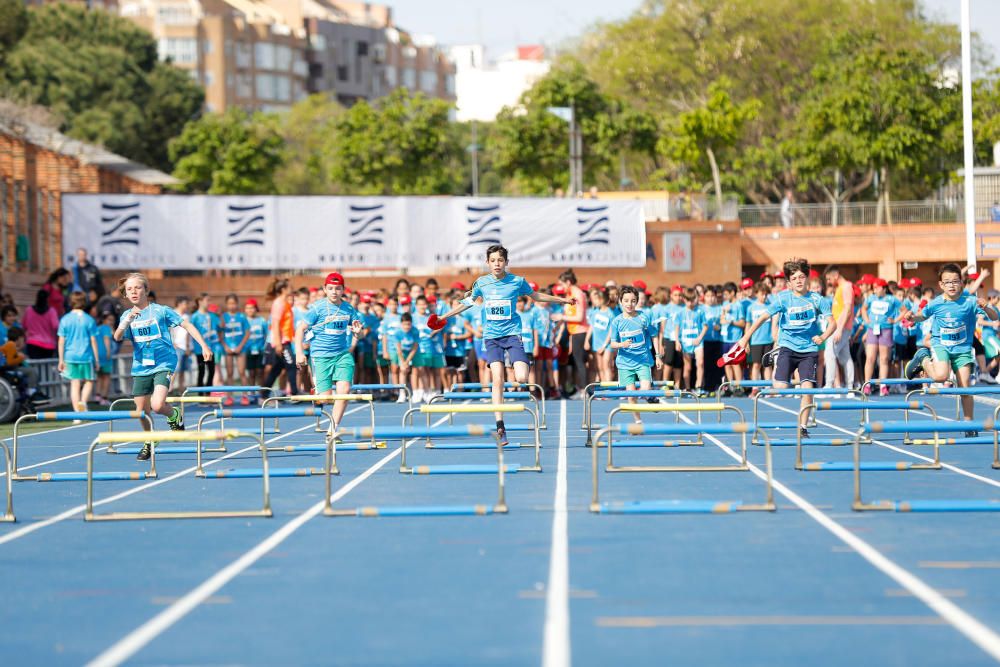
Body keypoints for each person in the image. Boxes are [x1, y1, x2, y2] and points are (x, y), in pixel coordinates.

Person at [434, 244, 574, 446]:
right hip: (491, 337)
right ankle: (500, 425)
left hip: (512, 335)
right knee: (497, 378)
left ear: (506, 262)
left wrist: (562, 300)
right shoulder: (481, 283)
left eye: (500, 260)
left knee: (522, 378)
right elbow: (467, 303)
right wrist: (443, 316)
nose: (497, 264)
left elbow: (535, 296)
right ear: (487, 263)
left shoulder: (517, 281)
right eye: (493, 261)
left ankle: (519, 374)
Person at [114, 273, 213, 461]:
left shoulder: (161, 311)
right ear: (125, 295)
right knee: (140, 411)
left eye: (137, 287)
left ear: (146, 290)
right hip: (141, 366)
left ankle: (174, 414)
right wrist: (127, 321)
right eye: (129, 289)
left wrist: (203, 345)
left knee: (158, 405)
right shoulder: (127, 316)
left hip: (164, 362)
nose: (134, 291)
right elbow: (117, 337)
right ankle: (150, 439)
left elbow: (187, 325)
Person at [737, 258, 835, 438]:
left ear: (807, 278)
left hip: (808, 350)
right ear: (789, 283)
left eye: (802, 276)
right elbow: (762, 318)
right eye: (795, 278)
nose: (799, 280)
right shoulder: (783, 298)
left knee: (808, 389)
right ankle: (777, 355)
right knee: (781, 387)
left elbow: (832, 324)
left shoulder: (817, 300)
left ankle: (803, 427)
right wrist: (745, 338)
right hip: (788, 347)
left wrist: (822, 336)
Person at [902, 263, 999, 432]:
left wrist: (986, 306)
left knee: (965, 388)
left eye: (955, 281)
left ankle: (969, 425)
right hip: (942, 346)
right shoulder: (936, 303)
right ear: (941, 285)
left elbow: (994, 316)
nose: (952, 285)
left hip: (963, 350)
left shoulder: (969, 301)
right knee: (941, 376)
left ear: (961, 282)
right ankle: (923, 359)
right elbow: (921, 317)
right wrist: (912, 317)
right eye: (947, 282)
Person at [295, 272, 364, 438]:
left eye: (338, 288)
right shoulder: (317, 308)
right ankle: (317, 392)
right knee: (325, 400)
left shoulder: (348, 309)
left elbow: (358, 331)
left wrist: (357, 332)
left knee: (344, 390)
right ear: (325, 289)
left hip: (342, 354)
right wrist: (299, 352)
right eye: (331, 288)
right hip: (320, 356)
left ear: (342, 290)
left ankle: (333, 429)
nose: (334, 292)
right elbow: (300, 329)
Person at [608, 285, 663, 422]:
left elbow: (654, 335)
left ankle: (649, 397)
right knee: (631, 396)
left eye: (633, 301)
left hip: (642, 361)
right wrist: (622, 344)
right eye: (626, 300)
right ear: (621, 301)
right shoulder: (617, 322)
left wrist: (658, 356)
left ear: (637, 301)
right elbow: (613, 343)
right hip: (625, 363)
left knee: (645, 389)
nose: (629, 304)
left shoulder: (643, 318)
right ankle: (638, 420)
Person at [57, 291, 100, 417]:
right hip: (86, 356)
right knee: (89, 381)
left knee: (74, 383)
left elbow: (61, 341)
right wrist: (97, 360)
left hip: (70, 356)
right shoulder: (89, 320)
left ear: (71, 302)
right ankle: (83, 402)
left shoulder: (65, 319)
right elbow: (93, 340)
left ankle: (77, 414)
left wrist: (61, 359)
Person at [550, 269, 589, 397]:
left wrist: (561, 317)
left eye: (561, 284)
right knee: (575, 361)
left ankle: (584, 391)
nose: (560, 287)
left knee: (579, 361)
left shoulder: (578, 295)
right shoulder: (570, 294)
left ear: (568, 282)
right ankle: (581, 389)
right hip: (573, 332)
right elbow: (567, 314)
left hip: (580, 331)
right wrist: (557, 327)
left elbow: (579, 318)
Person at [860, 278, 900, 395]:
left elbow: (903, 310)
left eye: (877, 288)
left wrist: (895, 320)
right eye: (874, 288)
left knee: (883, 359)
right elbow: (863, 308)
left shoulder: (891, 299)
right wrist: (866, 319)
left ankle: (883, 385)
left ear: (883, 288)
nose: (875, 290)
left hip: (886, 329)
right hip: (873, 329)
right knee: (870, 358)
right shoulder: (871, 298)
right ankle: (867, 385)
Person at [260, 278, 298, 400]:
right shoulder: (278, 303)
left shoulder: (285, 303)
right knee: (291, 364)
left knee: (277, 369)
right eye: (289, 287)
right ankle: (294, 393)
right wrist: (277, 344)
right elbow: (275, 324)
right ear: (283, 289)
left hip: (285, 340)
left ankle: (264, 394)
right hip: (280, 342)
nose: (291, 289)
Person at [823, 266, 855, 389]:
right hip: (839, 327)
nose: (828, 282)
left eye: (829, 278)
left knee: (829, 353)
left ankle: (829, 385)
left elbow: (847, 310)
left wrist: (839, 329)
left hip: (840, 328)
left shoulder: (846, 287)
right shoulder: (840, 288)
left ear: (836, 275)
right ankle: (850, 386)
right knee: (845, 357)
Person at [221, 294, 252, 405]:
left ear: (237, 304)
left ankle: (245, 396)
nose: (232, 306)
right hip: (228, 349)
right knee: (229, 373)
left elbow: (247, 332)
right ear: (226, 304)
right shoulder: (223, 317)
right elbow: (220, 333)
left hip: (240, 349)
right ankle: (230, 397)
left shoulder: (242, 317)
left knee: (242, 372)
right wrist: (225, 346)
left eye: (233, 303)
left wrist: (240, 346)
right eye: (229, 303)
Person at [676, 288, 708, 393]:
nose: (690, 303)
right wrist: (677, 341)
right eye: (688, 300)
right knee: (688, 366)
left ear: (696, 299)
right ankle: (688, 388)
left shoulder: (700, 311)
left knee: (700, 362)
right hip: (686, 342)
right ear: (684, 300)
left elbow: (705, 326)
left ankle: (698, 387)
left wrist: (699, 338)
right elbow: (676, 328)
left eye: (692, 300)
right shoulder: (680, 313)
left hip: (698, 341)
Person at [190, 294, 222, 388]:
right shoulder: (195, 316)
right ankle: (200, 394)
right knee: (201, 371)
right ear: (200, 301)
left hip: (210, 348)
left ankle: (208, 393)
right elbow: (190, 330)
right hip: (199, 349)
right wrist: (189, 345)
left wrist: (220, 315)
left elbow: (221, 326)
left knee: (211, 371)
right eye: (207, 300)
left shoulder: (212, 315)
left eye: (210, 300)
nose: (209, 303)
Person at [22, 289, 59, 359]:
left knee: (35, 367)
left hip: (32, 343)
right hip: (49, 345)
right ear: (47, 299)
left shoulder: (29, 310)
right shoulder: (52, 311)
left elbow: (24, 326)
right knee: (46, 368)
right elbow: (56, 326)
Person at [244, 298, 269, 393]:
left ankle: (261, 393)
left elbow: (267, 334)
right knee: (251, 373)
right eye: (248, 308)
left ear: (256, 309)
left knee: (260, 372)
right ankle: (251, 392)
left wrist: (265, 347)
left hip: (260, 350)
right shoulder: (244, 320)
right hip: (248, 350)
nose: (250, 310)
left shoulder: (261, 320)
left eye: (252, 308)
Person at [171, 296, 192, 394]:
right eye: (185, 304)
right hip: (176, 346)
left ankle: (181, 391)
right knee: (175, 370)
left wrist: (188, 346)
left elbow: (188, 332)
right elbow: (168, 330)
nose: (187, 306)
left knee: (183, 370)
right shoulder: (172, 314)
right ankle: (169, 389)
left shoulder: (187, 316)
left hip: (185, 347)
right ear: (179, 304)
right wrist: (172, 343)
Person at [95, 312, 116, 405]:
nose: (111, 322)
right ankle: (104, 398)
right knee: (106, 377)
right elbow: (107, 339)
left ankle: (97, 396)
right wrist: (108, 352)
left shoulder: (97, 328)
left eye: (113, 320)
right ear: (104, 320)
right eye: (109, 320)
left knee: (99, 376)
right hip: (105, 355)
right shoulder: (106, 328)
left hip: (96, 356)